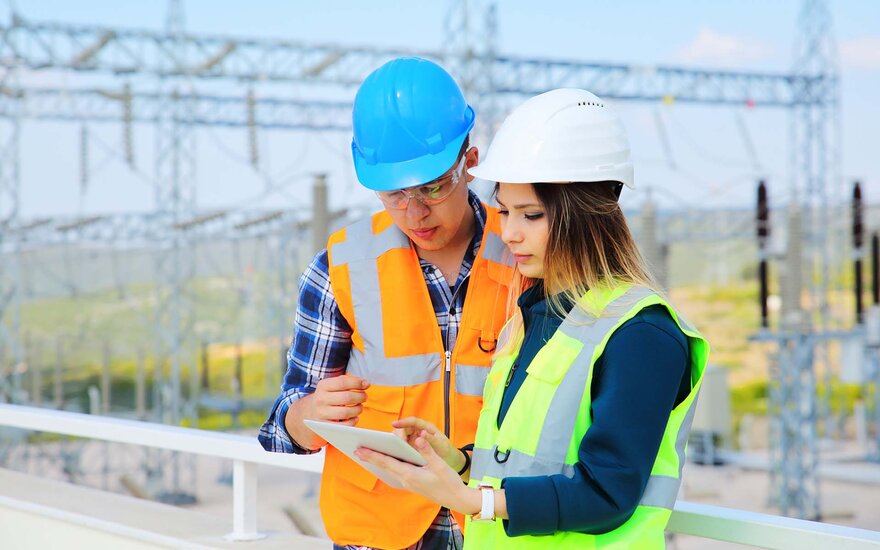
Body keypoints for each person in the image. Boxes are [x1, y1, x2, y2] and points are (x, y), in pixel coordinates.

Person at [356, 88, 710, 549]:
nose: (509, 232)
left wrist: (472, 500)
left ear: (585, 215)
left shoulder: (641, 333)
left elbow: (608, 492)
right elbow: (525, 461)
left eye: (532, 214)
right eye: (504, 210)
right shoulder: (532, 314)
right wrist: (459, 461)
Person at [258, 57, 513, 550]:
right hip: (379, 535)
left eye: (432, 188)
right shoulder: (339, 267)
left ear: (471, 160)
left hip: (495, 523)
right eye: (393, 194)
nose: (414, 211)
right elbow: (282, 425)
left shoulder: (525, 254)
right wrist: (308, 411)